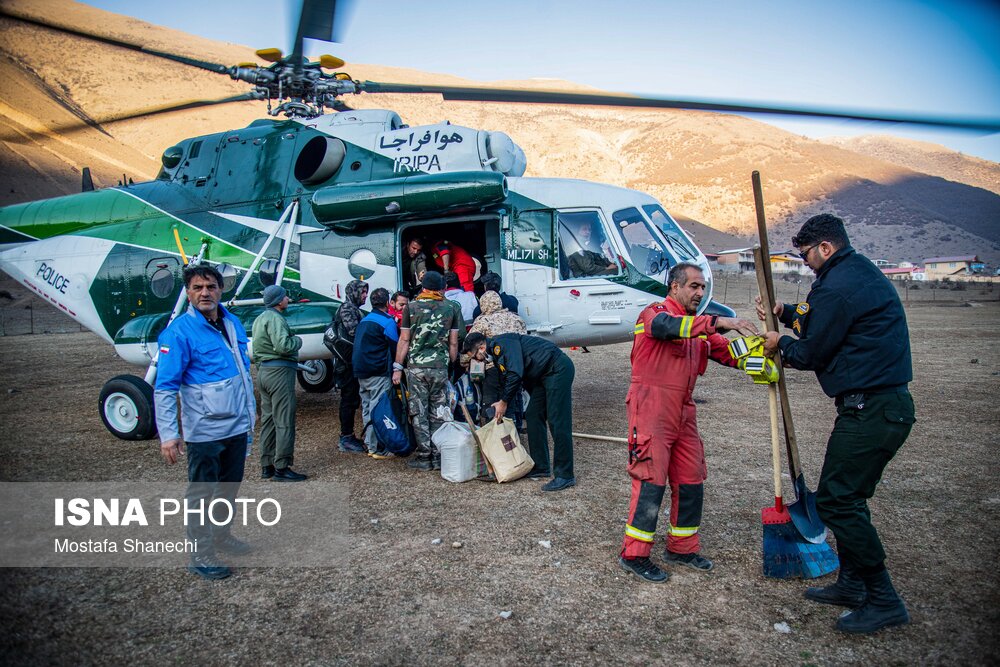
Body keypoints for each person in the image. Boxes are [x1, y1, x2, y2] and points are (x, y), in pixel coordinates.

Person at [758, 213, 915, 634]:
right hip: (875, 408)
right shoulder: (848, 276)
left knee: (836, 501)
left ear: (826, 247)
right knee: (845, 498)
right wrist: (786, 311)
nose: (805, 262)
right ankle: (851, 583)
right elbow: (819, 320)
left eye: (807, 254)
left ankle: (883, 599)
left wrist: (781, 344)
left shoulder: (841, 285)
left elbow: (811, 353)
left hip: (873, 410)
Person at [619, 262, 759, 583]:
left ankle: (681, 546)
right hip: (650, 409)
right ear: (675, 287)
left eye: (702, 288)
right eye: (694, 286)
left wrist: (769, 353)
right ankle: (634, 554)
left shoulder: (698, 330)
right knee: (650, 481)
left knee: (692, 479)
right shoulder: (654, 314)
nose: (699, 292)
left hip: (683, 412)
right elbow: (668, 327)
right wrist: (722, 321)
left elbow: (731, 353)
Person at [154, 264, 256, 580]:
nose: (205, 293)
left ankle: (221, 535)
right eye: (197, 288)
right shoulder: (178, 333)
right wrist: (169, 434)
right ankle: (200, 552)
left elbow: (242, 370)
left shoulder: (232, 322)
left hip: (237, 426)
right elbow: (165, 386)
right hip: (205, 432)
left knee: (228, 488)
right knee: (202, 491)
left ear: (220, 290)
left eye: (210, 286)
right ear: (187, 292)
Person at [462, 331, 576, 492]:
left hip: (556, 369)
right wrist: (501, 401)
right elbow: (509, 377)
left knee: (557, 420)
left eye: (474, 356)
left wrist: (504, 401)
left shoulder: (503, 344)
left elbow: (516, 373)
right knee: (532, 415)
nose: (476, 360)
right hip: (541, 376)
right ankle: (541, 466)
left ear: (481, 348)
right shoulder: (496, 352)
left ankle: (565, 475)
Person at [392, 270, 464, 470]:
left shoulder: (411, 307)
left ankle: (425, 457)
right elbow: (453, 342)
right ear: (442, 289)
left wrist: (398, 366)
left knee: (419, 411)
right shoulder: (451, 308)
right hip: (440, 367)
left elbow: (404, 339)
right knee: (439, 411)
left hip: (416, 368)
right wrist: (449, 364)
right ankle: (439, 455)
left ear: (423, 287)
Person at [251, 284, 305, 482]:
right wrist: (297, 341)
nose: (288, 300)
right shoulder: (276, 319)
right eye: (285, 297)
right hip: (280, 372)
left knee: (269, 420)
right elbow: (283, 345)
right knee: (284, 420)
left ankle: (267, 465)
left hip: (264, 371)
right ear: (278, 300)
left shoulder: (259, 319)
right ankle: (282, 466)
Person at [467, 290, 527, 429]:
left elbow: (471, 344)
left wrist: (464, 361)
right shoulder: (516, 318)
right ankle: (514, 431)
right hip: (514, 367)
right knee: (513, 400)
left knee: (490, 401)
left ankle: (493, 431)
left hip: (492, 369)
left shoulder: (482, 321)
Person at [353, 287, 399, 458]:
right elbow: (395, 346)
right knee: (379, 409)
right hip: (377, 371)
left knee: (366, 407)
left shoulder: (364, 320)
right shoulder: (387, 322)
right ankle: (379, 446)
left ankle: (370, 445)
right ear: (388, 303)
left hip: (360, 371)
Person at [332, 279, 368, 453]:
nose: (365, 296)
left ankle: (348, 436)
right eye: (362, 292)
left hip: (350, 361)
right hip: (346, 364)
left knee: (352, 399)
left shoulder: (354, 309)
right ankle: (345, 437)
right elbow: (354, 332)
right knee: (349, 400)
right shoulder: (347, 309)